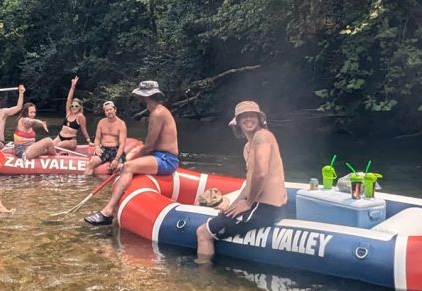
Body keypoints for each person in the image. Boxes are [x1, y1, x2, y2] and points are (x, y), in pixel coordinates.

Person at [195, 101, 288, 260]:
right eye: (243, 116)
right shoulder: (247, 147)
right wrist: (233, 205)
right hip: (265, 208)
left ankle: (203, 278)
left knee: (203, 233)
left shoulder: (262, 137)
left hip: (264, 209)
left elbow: (260, 174)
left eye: (252, 115)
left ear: (260, 119)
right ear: (237, 122)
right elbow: (250, 181)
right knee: (224, 214)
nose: (248, 119)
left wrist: (248, 203)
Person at [84, 80, 179, 225]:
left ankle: (108, 212)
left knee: (128, 166)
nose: (138, 99)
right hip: (158, 156)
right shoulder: (155, 111)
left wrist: (129, 162)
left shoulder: (158, 113)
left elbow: (150, 145)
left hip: (166, 159)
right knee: (129, 163)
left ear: (145, 97)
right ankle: (114, 208)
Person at [84, 100, 128, 176]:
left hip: (116, 150)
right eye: (107, 110)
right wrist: (97, 147)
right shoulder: (101, 122)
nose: (109, 112)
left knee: (120, 168)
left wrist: (116, 159)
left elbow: (122, 144)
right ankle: (86, 185)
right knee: (91, 163)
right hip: (104, 149)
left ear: (115, 109)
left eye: (110, 109)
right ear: (105, 112)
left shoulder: (121, 124)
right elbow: (97, 139)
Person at [56, 76, 92, 151]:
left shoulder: (80, 116)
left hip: (70, 141)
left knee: (57, 146)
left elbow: (84, 130)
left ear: (79, 107)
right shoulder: (68, 113)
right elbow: (69, 99)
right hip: (59, 137)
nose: (74, 107)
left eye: (76, 106)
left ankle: (63, 152)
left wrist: (89, 142)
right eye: (72, 105)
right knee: (49, 146)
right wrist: (72, 87)